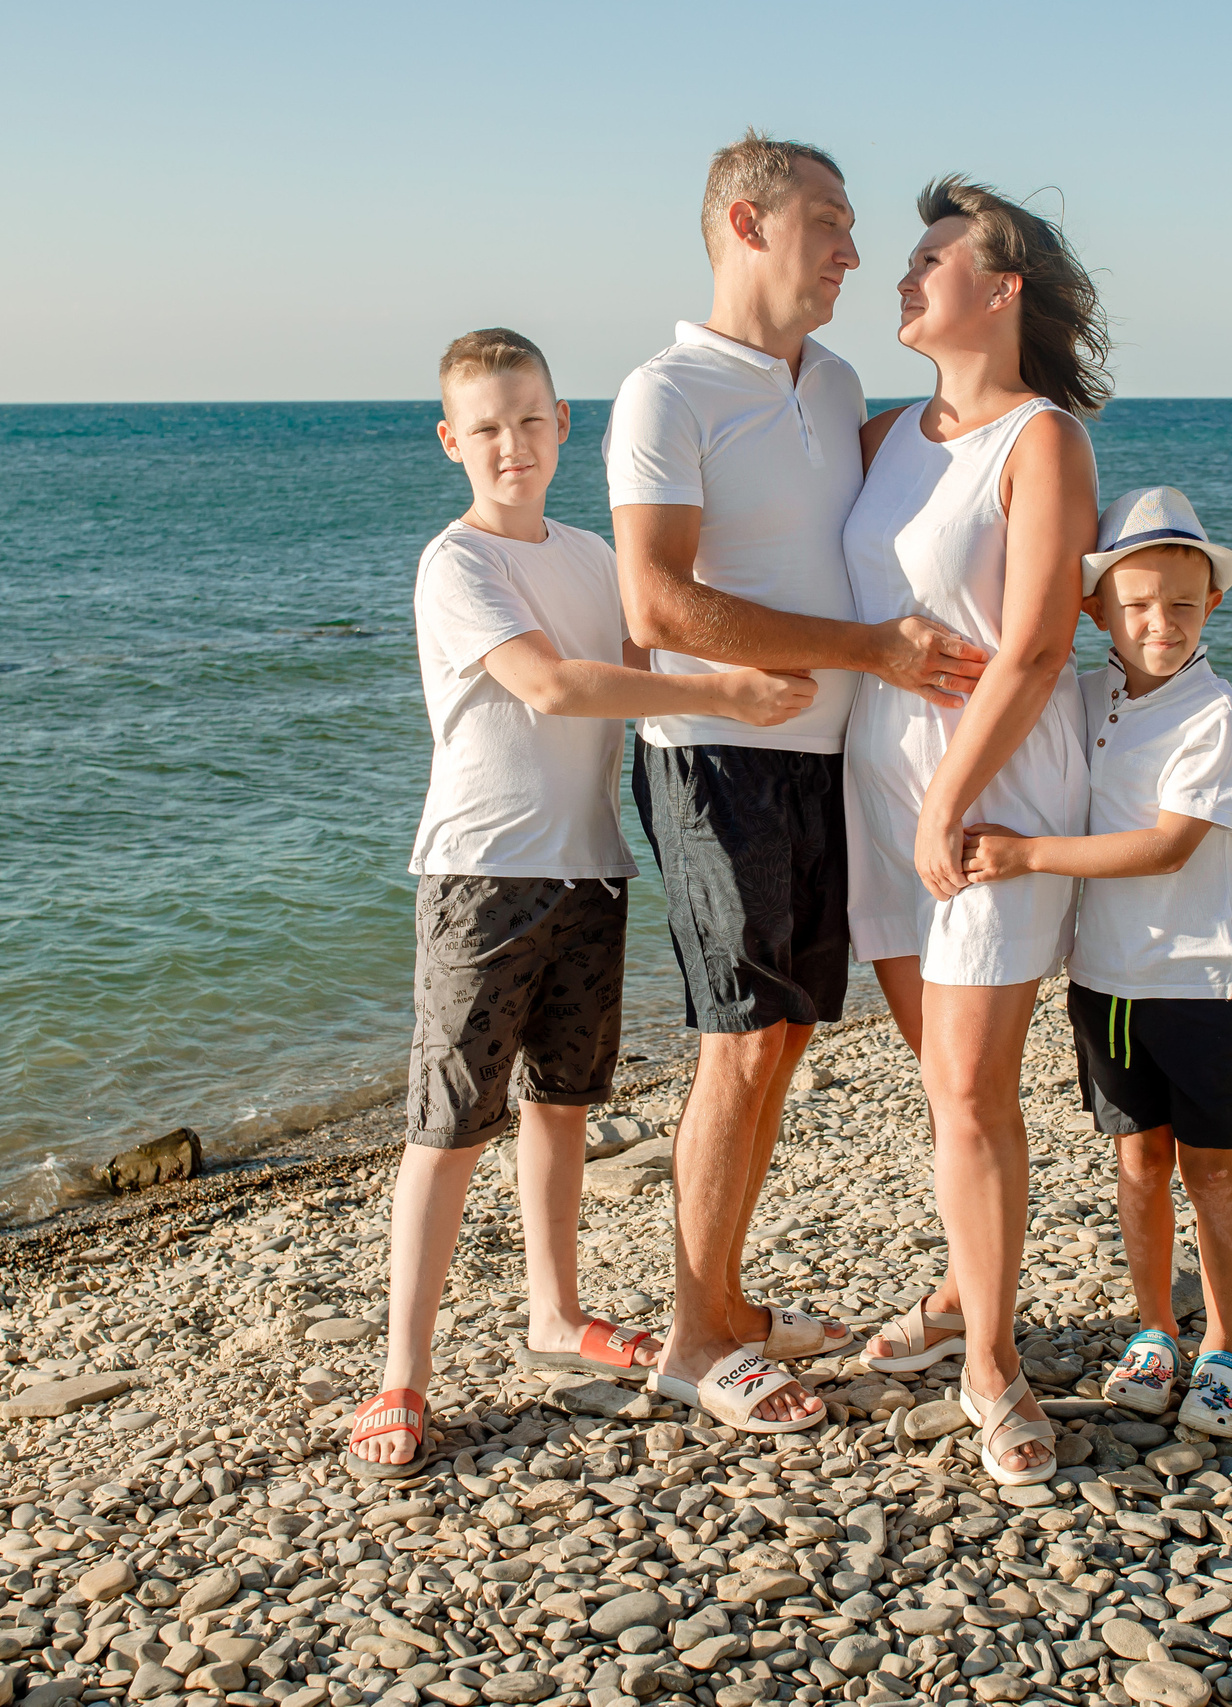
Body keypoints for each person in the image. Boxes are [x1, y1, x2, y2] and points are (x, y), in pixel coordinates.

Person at [345, 328, 817, 1476]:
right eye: (489, 427)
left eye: (532, 420)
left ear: (564, 428)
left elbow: (657, 631)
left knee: (564, 1106)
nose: (513, 444)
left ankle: (554, 1317)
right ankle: (401, 1374)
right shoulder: (455, 564)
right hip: (482, 876)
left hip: (592, 868)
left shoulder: (593, 555)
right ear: (453, 441)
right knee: (448, 1126)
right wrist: (726, 690)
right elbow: (554, 685)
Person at [607, 133, 994, 1435]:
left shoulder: (833, 385)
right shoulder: (664, 393)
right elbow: (656, 599)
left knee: (778, 1038)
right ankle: (692, 1334)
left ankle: (724, 1304)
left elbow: (938, 461)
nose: (853, 248)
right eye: (828, 221)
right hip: (714, 757)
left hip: (826, 756)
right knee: (737, 1039)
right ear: (745, 223)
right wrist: (866, 649)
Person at [842, 177, 1105, 1487]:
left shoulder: (1043, 441)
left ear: (1000, 292)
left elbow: (1044, 639)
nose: (905, 275)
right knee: (941, 1079)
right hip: (876, 788)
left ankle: (993, 1360)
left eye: (931, 258)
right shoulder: (886, 432)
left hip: (990, 798)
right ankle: (962, 1286)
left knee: (967, 1090)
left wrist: (951, 800)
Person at [960, 485, 1232, 1439]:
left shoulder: (1214, 716)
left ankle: (1222, 1344)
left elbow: (1165, 846)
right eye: (1137, 604)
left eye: (1182, 605)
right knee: (1139, 1163)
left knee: (1212, 1171)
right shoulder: (1089, 692)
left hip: (1198, 978)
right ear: (1096, 607)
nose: (1160, 623)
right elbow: (1008, 684)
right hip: (1106, 980)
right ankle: (1154, 1329)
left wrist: (1023, 853)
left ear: (1211, 608)